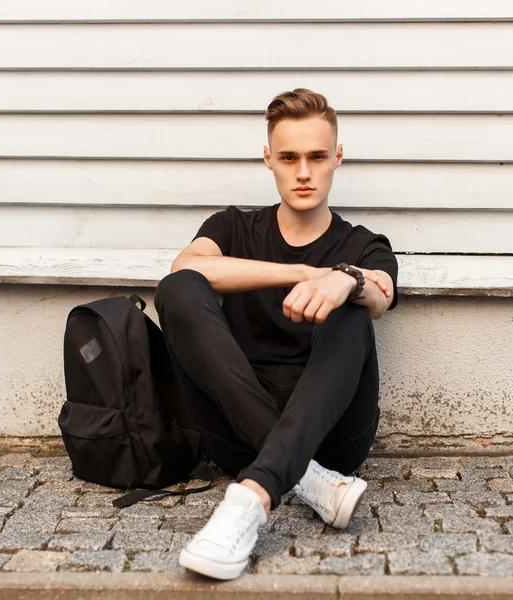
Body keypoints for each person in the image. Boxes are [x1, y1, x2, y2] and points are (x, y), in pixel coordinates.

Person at [154, 88, 398, 580]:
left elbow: (381, 295)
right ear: (269, 159)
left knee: (351, 300)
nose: (303, 172)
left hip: (334, 438)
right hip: (236, 433)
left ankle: (254, 496)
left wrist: (343, 279)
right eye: (289, 158)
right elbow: (186, 267)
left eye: (316, 157)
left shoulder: (362, 243)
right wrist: (302, 273)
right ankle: (309, 481)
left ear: (338, 158)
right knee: (180, 288)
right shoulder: (233, 227)